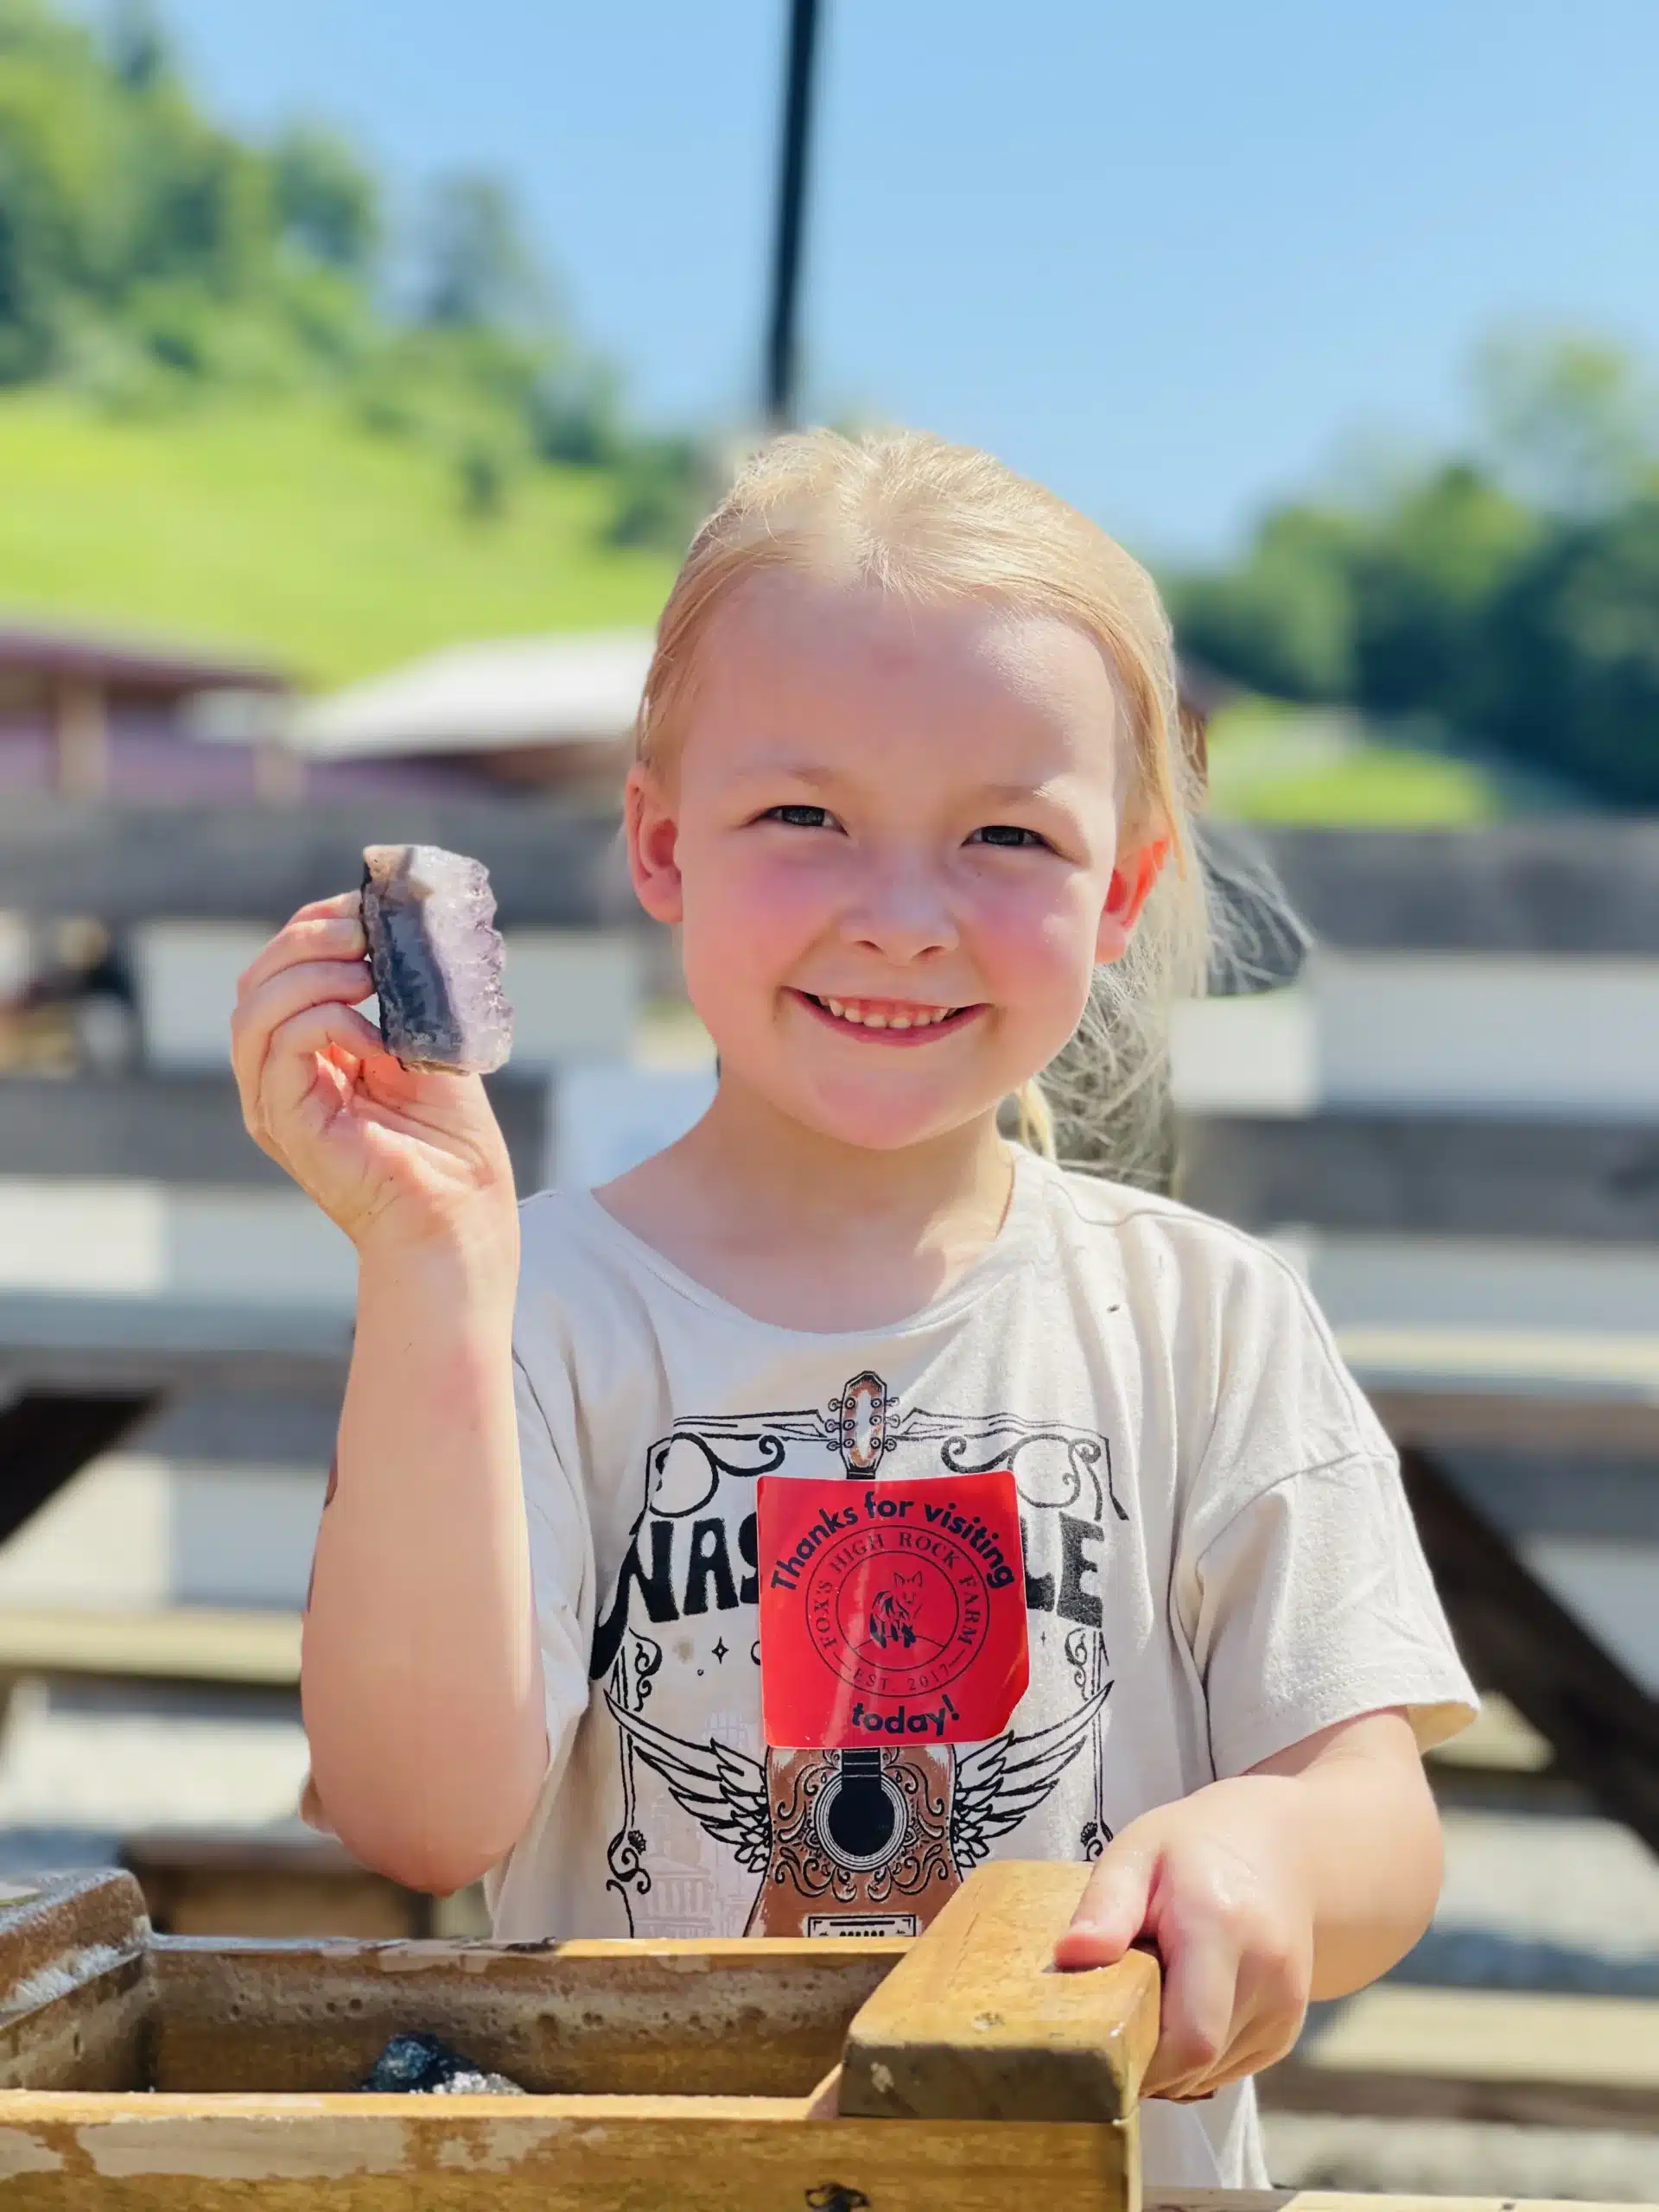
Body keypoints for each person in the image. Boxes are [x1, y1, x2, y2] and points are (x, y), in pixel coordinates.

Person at [232, 428, 1476, 2189]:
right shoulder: (525, 1305)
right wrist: (429, 1263)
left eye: (1005, 834)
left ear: (1118, 894)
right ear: (662, 842)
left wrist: (1273, 1853)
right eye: (803, 817)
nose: (900, 917)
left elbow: (1377, 1816)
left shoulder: (1210, 1318)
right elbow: (420, 1814)